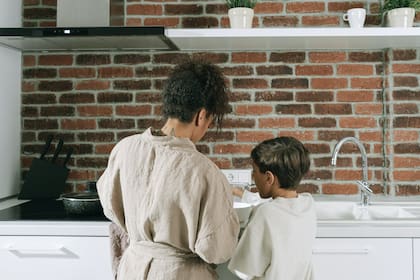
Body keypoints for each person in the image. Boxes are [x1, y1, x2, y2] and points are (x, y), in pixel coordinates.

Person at [97, 60, 240, 280]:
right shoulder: (205, 172)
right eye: (210, 121)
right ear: (201, 116)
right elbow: (216, 249)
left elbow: (110, 207)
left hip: (132, 269)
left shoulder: (124, 149)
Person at [228, 137, 317, 280]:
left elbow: (244, 269)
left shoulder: (265, 213)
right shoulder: (307, 205)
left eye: (254, 171)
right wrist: (238, 192)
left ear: (269, 178)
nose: (253, 176)